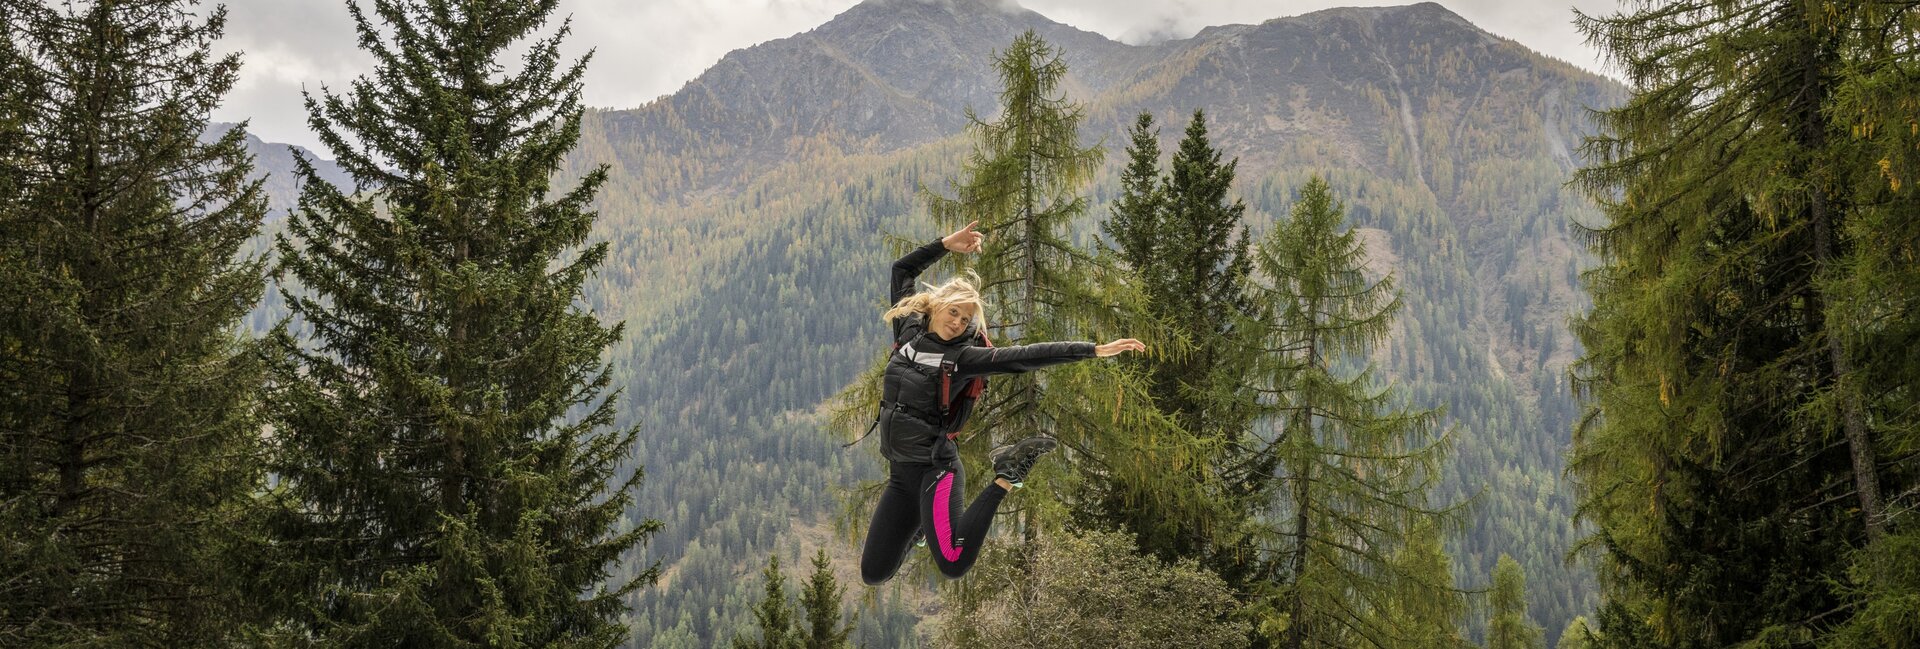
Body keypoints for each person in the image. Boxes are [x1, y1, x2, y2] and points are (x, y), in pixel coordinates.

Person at [859, 220, 1145, 585]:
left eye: (966, 320)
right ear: (937, 307)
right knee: (874, 573)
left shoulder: (961, 358)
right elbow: (902, 269)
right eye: (954, 313)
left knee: (953, 561)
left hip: (935, 469)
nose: (958, 323)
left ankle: (1007, 473)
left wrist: (1093, 350)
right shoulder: (909, 331)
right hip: (900, 474)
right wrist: (947, 243)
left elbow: (1025, 356)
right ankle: (923, 527)